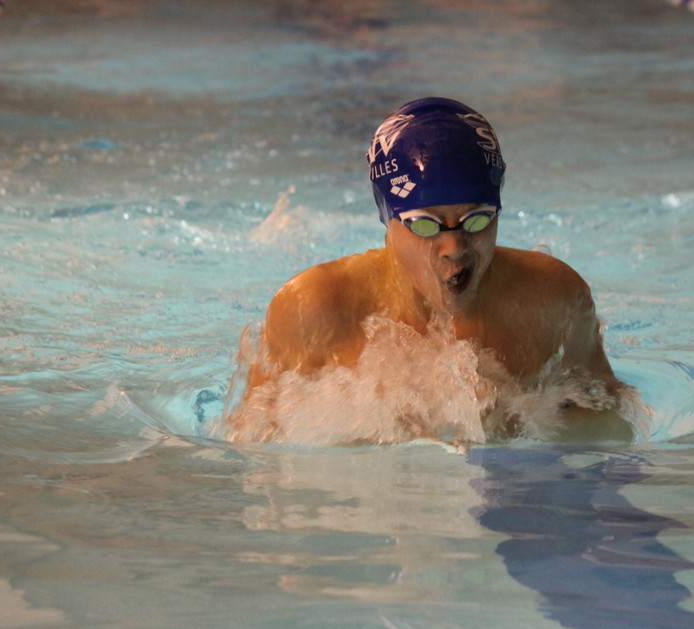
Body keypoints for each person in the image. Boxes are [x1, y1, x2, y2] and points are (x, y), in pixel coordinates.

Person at [229, 97, 637, 444]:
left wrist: (512, 425)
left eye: (477, 219)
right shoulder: (316, 307)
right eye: (425, 225)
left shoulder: (552, 297)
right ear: (388, 218)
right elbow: (254, 445)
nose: (454, 248)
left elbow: (615, 426)